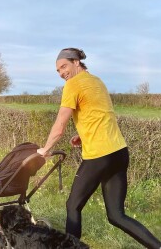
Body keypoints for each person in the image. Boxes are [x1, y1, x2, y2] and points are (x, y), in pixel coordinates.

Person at [37, 48, 161, 249]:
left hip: (99, 156)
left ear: (76, 62)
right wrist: (83, 135)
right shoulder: (97, 81)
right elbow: (101, 114)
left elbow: (59, 125)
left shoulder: (72, 85)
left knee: (73, 206)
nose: (61, 73)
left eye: (64, 66)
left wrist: (46, 149)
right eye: (58, 70)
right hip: (119, 152)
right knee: (116, 215)